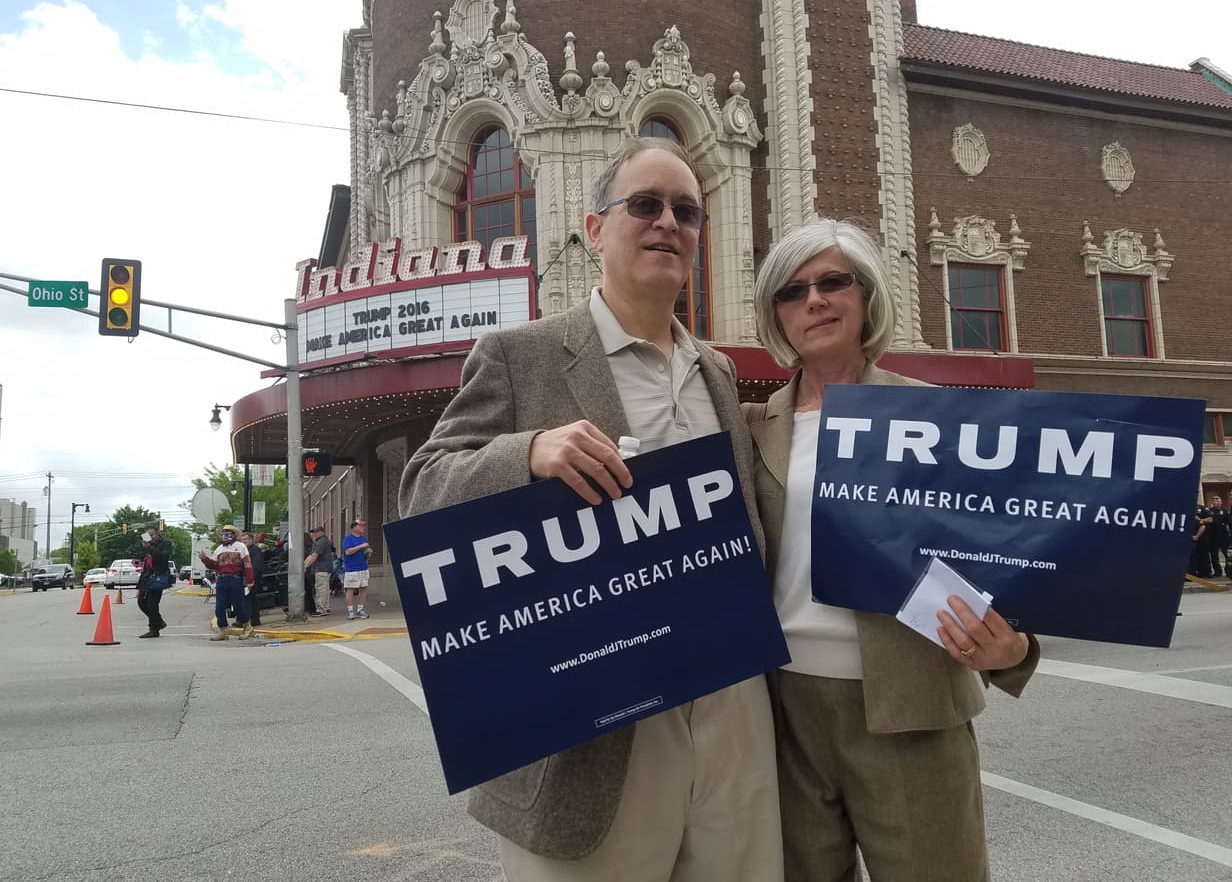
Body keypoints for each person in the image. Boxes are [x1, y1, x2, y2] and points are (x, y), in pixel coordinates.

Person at [400, 137, 781, 881]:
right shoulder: (521, 355)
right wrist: (529, 452)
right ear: (596, 227)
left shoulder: (720, 372)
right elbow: (421, 490)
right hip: (595, 724)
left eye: (686, 211)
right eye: (645, 204)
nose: (668, 222)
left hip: (732, 708)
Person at [744, 218, 1040, 882]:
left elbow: (1008, 550)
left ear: (867, 295)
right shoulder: (752, 425)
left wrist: (1015, 649)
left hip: (912, 702)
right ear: (776, 315)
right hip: (784, 708)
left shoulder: (937, 417)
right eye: (792, 291)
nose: (813, 300)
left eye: (832, 282)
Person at [198, 524, 255, 640]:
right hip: (222, 579)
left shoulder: (240, 547)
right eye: (224, 533)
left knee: (238, 605)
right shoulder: (219, 549)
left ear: (234, 535)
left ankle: (247, 626)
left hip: (235, 578)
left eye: (228, 532)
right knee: (219, 606)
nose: (225, 535)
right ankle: (223, 629)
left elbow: (247, 564)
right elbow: (213, 565)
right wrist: (204, 558)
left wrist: (250, 581)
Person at [136, 526, 172, 638]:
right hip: (147, 577)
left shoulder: (165, 543)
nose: (151, 537)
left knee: (152, 604)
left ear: (158, 534)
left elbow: (163, 558)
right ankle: (159, 622)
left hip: (158, 578)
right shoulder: (148, 546)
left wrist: (150, 547)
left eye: (153, 534)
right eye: (148, 535)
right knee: (141, 602)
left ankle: (153, 629)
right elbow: (147, 564)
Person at [340, 519, 373, 619]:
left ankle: (360, 609)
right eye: (361, 526)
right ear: (354, 527)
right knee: (350, 589)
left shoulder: (364, 539)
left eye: (363, 526)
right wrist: (361, 546)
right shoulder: (348, 539)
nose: (363, 527)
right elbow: (348, 552)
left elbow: (366, 554)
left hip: (363, 567)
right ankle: (350, 611)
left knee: (363, 588)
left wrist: (368, 552)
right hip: (352, 569)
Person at [303, 525, 334, 617]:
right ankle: (326, 608)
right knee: (324, 588)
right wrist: (303, 565)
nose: (314, 534)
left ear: (322, 532)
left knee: (321, 589)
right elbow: (311, 555)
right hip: (322, 568)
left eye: (316, 532)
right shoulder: (318, 541)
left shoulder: (322, 541)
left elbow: (314, 556)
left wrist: (304, 567)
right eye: (313, 532)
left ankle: (321, 609)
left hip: (322, 568)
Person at [239, 531, 265, 627]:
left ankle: (248, 620)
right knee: (249, 599)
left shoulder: (254, 550)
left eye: (246, 539)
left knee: (248, 599)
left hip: (252, 578)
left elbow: (257, 566)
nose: (244, 541)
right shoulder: (245, 550)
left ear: (251, 540)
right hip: (246, 577)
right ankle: (253, 620)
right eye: (242, 540)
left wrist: (251, 578)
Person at [1207, 496, 1228, 577]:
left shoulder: (1225, 511)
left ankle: (1228, 571)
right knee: (1214, 556)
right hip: (1212, 537)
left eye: (1217, 500)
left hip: (1223, 536)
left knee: (1227, 555)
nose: (1215, 502)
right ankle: (1217, 572)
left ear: (1220, 502)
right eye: (1213, 501)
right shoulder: (1209, 511)